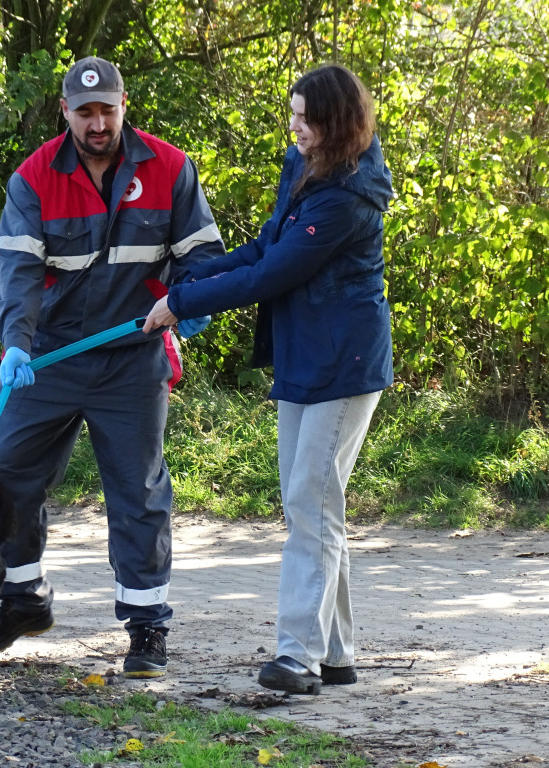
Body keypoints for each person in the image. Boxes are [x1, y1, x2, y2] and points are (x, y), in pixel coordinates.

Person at [143, 64, 393, 694]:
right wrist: (187, 283)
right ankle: (336, 653)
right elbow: (261, 248)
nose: (294, 127)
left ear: (335, 124)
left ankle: (298, 655)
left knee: (311, 501)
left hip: (345, 363)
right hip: (303, 357)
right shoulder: (306, 167)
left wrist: (184, 304)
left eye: (305, 118)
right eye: (293, 114)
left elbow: (273, 273)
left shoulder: (349, 198)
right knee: (309, 502)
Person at [0, 56, 224, 679]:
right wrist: (15, 343)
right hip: (49, 357)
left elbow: (202, 254)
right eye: (84, 111)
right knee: (6, 472)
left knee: (138, 490)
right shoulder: (33, 179)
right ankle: (23, 598)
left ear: (124, 106)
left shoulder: (169, 168)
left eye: (107, 110)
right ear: (65, 111)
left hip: (132, 356)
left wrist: (188, 302)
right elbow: (17, 274)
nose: (97, 123)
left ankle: (146, 628)